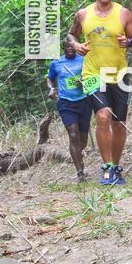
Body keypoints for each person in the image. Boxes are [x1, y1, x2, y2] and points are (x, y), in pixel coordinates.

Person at [67, 0, 132, 186]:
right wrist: (77, 45)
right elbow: (71, 35)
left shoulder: (123, 13)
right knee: (102, 116)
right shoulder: (83, 14)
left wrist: (127, 41)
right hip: (91, 74)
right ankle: (106, 168)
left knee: (119, 124)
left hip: (119, 75)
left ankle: (116, 166)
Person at [47, 41, 90, 182]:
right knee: (73, 134)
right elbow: (50, 78)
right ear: (63, 48)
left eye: (72, 47)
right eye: (67, 47)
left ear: (76, 48)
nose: (70, 49)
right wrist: (52, 88)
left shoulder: (84, 60)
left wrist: (84, 80)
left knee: (83, 139)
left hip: (84, 101)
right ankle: (79, 171)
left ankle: (79, 156)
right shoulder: (56, 63)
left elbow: (91, 75)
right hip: (66, 103)